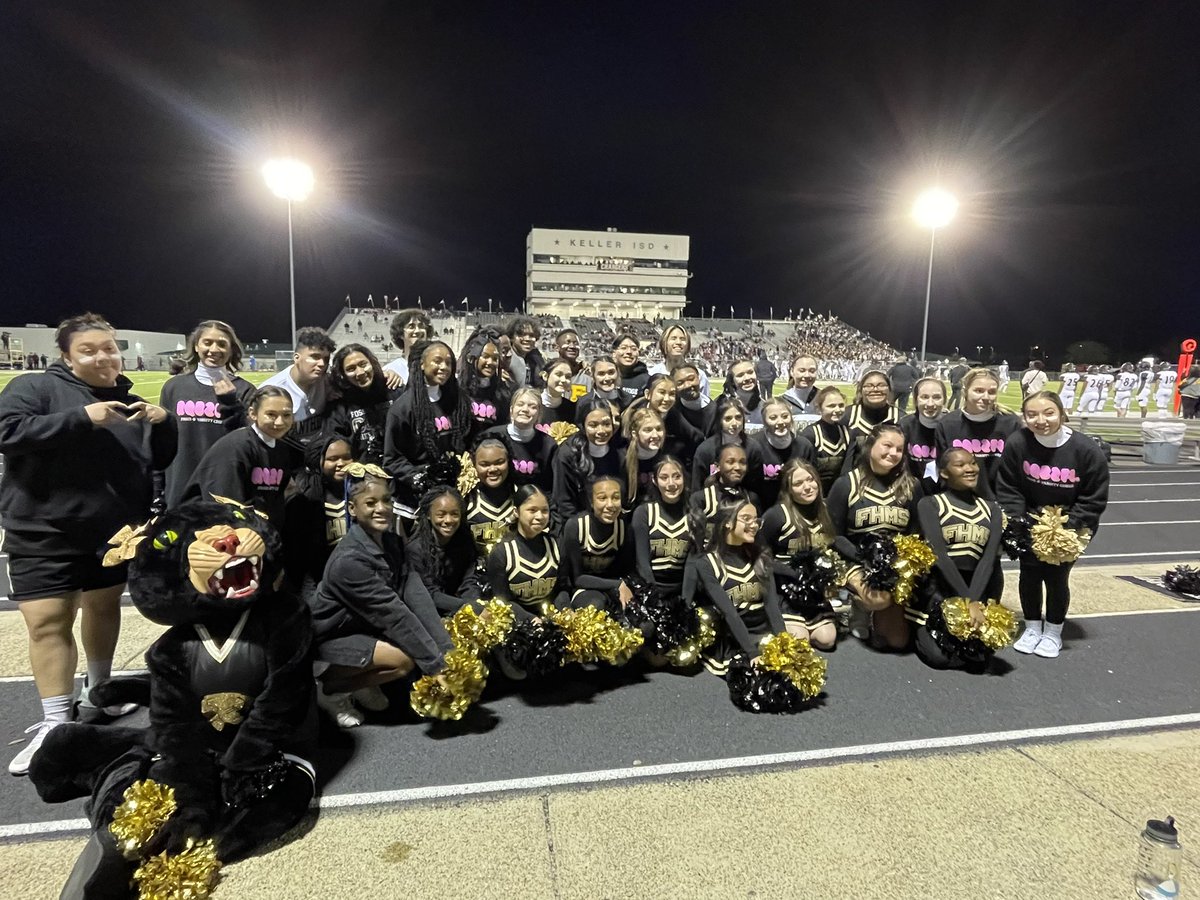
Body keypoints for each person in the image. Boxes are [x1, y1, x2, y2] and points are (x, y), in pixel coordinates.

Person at [0, 313, 176, 775]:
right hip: (43, 532)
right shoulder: (34, 387)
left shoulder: (130, 401)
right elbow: (7, 433)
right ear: (66, 355)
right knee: (48, 622)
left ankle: (98, 693)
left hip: (112, 535)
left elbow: (157, 459)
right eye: (89, 350)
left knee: (104, 607)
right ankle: (56, 723)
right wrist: (80, 418)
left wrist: (164, 422)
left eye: (109, 348)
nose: (103, 356)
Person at [308, 469, 452, 727]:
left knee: (412, 649)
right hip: (328, 638)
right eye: (371, 503)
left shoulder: (393, 542)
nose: (382, 508)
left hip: (362, 626)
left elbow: (415, 592)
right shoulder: (348, 562)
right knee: (402, 661)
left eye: (387, 500)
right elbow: (392, 613)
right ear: (352, 509)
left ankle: (364, 675)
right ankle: (328, 689)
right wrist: (436, 665)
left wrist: (446, 649)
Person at [996, 391, 1110, 659]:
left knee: (1057, 577)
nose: (1041, 420)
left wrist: (1066, 527)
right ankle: (1033, 626)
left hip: (1070, 526)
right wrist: (1020, 521)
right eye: (1032, 414)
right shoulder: (1018, 442)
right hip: (1030, 523)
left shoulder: (1086, 450)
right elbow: (1009, 485)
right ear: (1025, 417)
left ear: (1061, 413)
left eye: (1048, 412)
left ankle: (1054, 631)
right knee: (1029, 574)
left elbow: (1094, 497)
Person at [828, 423, 922, 650]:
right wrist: (865, 558)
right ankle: (859, 605)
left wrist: (898, 563)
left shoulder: (911, 486)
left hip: (894, 564)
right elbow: (833, 535)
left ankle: (878, 610)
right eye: (887, 446)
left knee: (897, 641)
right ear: (871, 446)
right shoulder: (846, 484)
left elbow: (915, 533)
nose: (893, 453)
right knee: (877, 599)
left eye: (899, 449)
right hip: (854, 559)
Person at [912, 449, 1004, 669]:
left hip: (977, 588)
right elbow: (939, 556)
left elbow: (988, 559)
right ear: (944, 473)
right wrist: (967, 601)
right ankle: (916, 629)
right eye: (960, 465)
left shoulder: (992, 509)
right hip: (940, 589)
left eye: (973, 463)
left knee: (979, 659)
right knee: (940, 658)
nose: (970, 469)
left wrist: (976, 601)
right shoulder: (930, 504)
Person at [159, 319, 256, 507]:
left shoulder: (245, 390)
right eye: (207, 342)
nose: (214, 349)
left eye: (222, 344)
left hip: (224, 485)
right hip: (180, 483)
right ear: (196, 346)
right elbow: (163, 439)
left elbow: (249, 441)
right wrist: (158, 489)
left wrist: (231, 402)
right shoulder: (174, 387)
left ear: (231, 349)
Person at [696, 499, 787, 677]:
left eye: (756, 520)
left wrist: (785, 643)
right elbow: (729, 613)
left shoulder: (761, 557)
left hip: (763, 633)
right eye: (747, 519)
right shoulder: (708, 564)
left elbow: (772, 607)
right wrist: (752, 653)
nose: (754, 525)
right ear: (728, 523)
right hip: (735, 638)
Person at [383, 339, 476, 515]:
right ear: (422, 365)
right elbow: (392, 459)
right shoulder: (402, 408)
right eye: (437, 361)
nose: (444, 367)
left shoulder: (458, 401)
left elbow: (466, 441)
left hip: (451, 494)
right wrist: (421, 477)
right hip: (414, 501)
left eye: (449, 362)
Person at [183, 386, 296, 528]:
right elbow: (224, 505)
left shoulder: (281, 449)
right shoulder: (235, 448)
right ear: (253, 414)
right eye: (271, 414)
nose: (280, 422)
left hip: (260, 534)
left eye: (286, 415)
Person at [760, 459, 838, 650]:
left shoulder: (825, 511)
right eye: (798, 483)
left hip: (813, 591)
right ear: (788, 489)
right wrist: (791, 572)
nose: (807, 487)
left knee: (828, 640)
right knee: (799, 641)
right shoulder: (777, 515)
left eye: (810, 480)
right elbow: (760, 557)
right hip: (786, 589)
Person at [934, 368, 1020, 499]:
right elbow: (943, 469)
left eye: (991, 392)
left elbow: (1015, 471)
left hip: (1000, 500)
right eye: (979, 391)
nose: (985, 397)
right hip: (960, 501)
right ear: (965, 392)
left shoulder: (1011, 423)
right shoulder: (947, 424)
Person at [486, 485, 570, 617]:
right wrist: (531, 620)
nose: (540, 516)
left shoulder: (556, 545)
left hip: (550, 618)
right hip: (517, 624)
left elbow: (562, 589)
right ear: (516, 512)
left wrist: (565, 611)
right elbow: (503, 601)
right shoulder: (502, 552)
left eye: (544, 510)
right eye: (532, 510)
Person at [407, 486, 485, 614]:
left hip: (460, 608)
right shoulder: (415, 549)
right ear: (428, 515)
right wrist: (466, 606)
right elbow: (429, 593)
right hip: (429, 613)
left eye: (454, 514)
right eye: (441, 515)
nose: (448, 520)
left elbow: (468, 581)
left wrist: (475, 605)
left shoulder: (465, 542)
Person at [561, 476, 634, 613]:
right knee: (596, 605)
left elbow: (626, 571)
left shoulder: (624, 528)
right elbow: (577, 578)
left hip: (614, 588)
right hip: (584, 589)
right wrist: (617, 584)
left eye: (615, 498)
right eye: (602, 498)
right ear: (591, 501)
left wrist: (622, 587)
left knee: (644, 625)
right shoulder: (576, 526)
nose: (610, 504)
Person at [262, 327, 336, 451]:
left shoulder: (327, 382)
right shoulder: (273, 390)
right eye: (315, 357)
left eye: (326, 359)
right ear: (297, 358)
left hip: (319, 454)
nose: (322, 364)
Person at [630, 456, 694, 601]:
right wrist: (654, 599)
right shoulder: (644, 513)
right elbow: (642, 563)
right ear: (654, 480)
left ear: (684, 478)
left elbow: (692, 566)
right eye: (664, 478)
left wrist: (685, 603)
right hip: (650, 591)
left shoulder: (694, 515)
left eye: (677, 477)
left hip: (680, 592)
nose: (671, 484)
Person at [324, 343, 399, 465]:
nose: (360, 372)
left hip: (397, 469)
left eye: (363, 364)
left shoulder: (394, 390)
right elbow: (335, 443)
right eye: (351, 369)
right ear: (342, 374)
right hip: (361, 474)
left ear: (372, 364)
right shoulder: (338, 406)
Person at [551, 396, 622, 519]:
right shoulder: (567, 455)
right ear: (583, 426)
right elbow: (564, 503)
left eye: (606, 424)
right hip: (577, 523)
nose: (601, 431)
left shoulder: (620, 454)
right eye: (593, 425)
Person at [480, 386, 557, 493]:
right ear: (511, 410)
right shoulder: (491, 436)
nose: (525, 409)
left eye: (532, 406)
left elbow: (550, 485)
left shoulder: (549, 445)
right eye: (520, 404)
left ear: (539, 414)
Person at [746, 397, 816, 510]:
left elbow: (812, 480)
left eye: (785, 416)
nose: (780, 422)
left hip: (796, 509)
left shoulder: (804, 446)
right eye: (773, 418)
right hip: (761, 509)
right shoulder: (753, 446)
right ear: (764, 421)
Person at [690, 443, 760, 545]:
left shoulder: (750, 499)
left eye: (742, 462)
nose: (737, 467)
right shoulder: (701, 498)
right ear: (717, 466)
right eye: (730, 462)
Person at [464, 438, 518, 557]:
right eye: (484, 464)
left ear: (509, 461)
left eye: (499, 462)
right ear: (474, 465)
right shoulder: (466, 499)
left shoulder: (522, 496)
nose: (493, 469)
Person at [899, 376, 947, 495]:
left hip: (946, 495)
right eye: (924, 397)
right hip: (912, 493)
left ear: (945, 400)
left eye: (936, 397)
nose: (930, 404)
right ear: (915, 400)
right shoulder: (905, 425)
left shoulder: (953, 426)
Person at [458, 327, 512, 430]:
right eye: (485, 356)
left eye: (495, 358)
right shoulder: (457, 388)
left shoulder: (502, 393)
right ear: (471, 357)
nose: (490, 362)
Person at [799, 386, 851, 494]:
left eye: (841, 405)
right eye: (831, 406)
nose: (837, 410)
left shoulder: (846, 432)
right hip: (815, 493)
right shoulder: (810, 434)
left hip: (840, 492)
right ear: (819, 409)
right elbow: (805, 469)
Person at [691, 394, 750, 487]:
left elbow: (757, 488)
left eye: (738, 417)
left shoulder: (753, 448)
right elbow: (697, 488)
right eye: (728, 418)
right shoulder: (705, 450)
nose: (734, 423)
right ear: (719, 421)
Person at [843, 370, 898, 469]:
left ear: (889, 389)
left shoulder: (900, 418)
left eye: (881, 385)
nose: (875, 389)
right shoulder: (847, 415)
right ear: (860, 390)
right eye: (869, 386)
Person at [648, 324, 711, 397]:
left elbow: (705, 406)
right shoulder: (652, 373)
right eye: (673, 338)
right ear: (664, 343)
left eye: (682, 339)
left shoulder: (699, 376)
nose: (678, 342)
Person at [624, 407, 667, 505]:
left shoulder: (668, 457)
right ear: (634, 434)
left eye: (659, 429)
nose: (655, 435)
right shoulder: (622, 458)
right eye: (648, 430)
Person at [383, 308, 432, 387]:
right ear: (401, 334)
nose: (417, 331)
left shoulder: (437, 366)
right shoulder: (390, 370)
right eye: (411, 326)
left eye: (421, 326)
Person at [574, 355, 627, 419]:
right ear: (593, 376)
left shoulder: (627, 399)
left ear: (617, 373)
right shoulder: (584, 402)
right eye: (601, 374)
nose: (607, 378)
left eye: (611, 372)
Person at [505, 315, 546, 388]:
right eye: (521, 334)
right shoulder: (504, 358)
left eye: (531, 335)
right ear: (511, 337)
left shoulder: (537, 360)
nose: (527, 339)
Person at [780, 354, 821, 427]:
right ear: (792, 372)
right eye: (802, 371)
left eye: (812, 371)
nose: (807, 375)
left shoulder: (824, 398)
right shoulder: (781, 402)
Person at [723, 359, 764, 428]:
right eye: (740, 375)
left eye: (750, 372)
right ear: (732, 380)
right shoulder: (720, 405)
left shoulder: (765, 407)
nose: (747, 378)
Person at [538, 357, 578, 425]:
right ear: (545, 376)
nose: (563, 380)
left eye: (568, 377)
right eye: (558, 374)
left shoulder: (573, 409)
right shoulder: (534, 405)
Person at [613, 334, 649, 405]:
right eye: (623, 348)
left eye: (634, 349)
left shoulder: (647, 381)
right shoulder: (607, 377)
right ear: (614, 353)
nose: (629, 352)